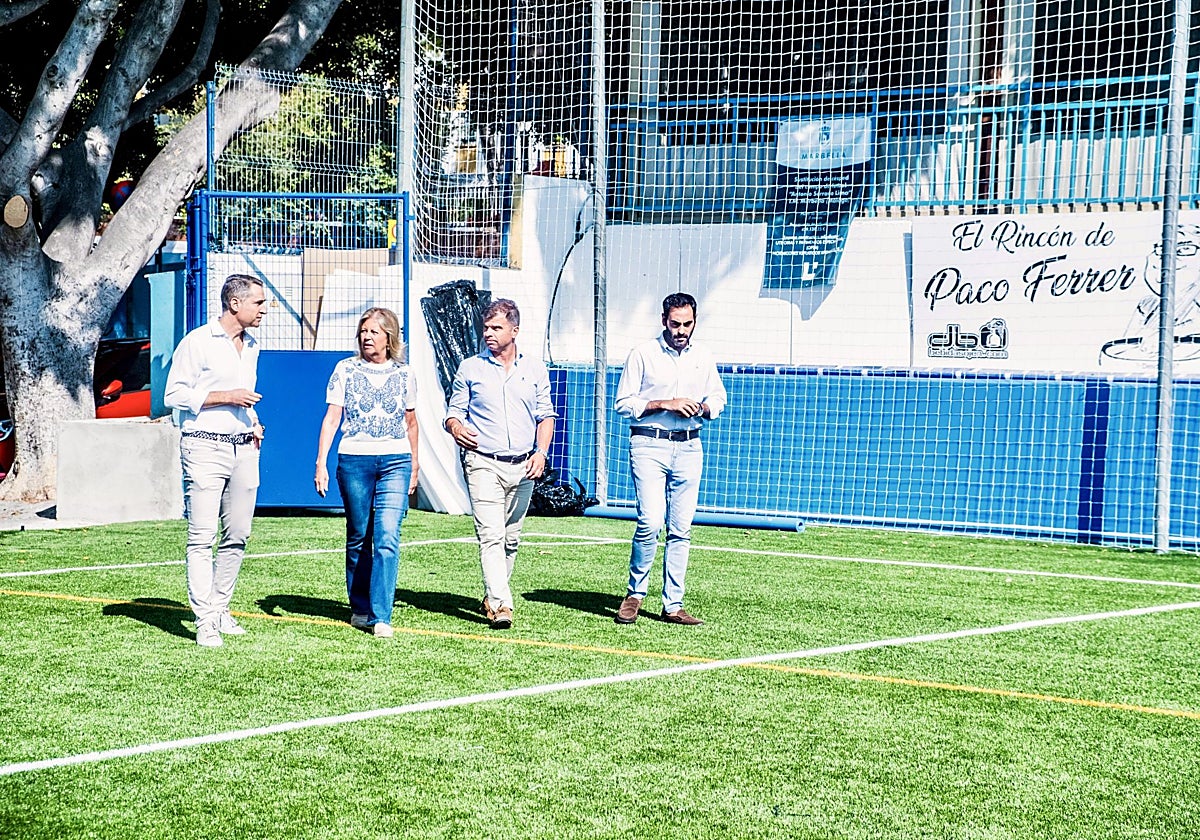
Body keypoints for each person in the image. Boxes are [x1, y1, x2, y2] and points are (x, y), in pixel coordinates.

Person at [164, 274, 267, 647]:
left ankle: (221, 608)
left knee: (238, 533)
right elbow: (173, 393)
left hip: (244, 447)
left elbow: (245, 400)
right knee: (201, 537)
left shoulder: (252, 345)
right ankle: (205, 619)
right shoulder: (198, 341)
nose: (264, 309)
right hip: (204, 446)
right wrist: (226, 396)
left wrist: (254, 424)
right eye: (258, 302)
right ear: (235, 304)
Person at [613, 292, 727, 626]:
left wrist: (704, 408)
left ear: (694, 322)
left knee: (681, 529)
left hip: (690, 446)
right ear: (664, 320)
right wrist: (664, 403)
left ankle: (673, 605)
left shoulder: (703, 356)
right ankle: (635, 594)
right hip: (649, 445)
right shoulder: (643, 355)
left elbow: (718, 397)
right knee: (650, 521)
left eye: (687, 324)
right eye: (675, 323)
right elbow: (623, 403)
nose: (681, 330)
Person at [445, 299, 555, 630]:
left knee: (511, 538)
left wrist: (541, 452)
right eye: (486, 328)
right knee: (491, 534)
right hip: (483, 463)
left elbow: (546, 414)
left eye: (496, 328)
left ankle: (493, 594)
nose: (488, 334)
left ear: (514, 330)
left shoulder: (534, 368)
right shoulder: (470, 368)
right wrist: (456, 427)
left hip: (523, 467)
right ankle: (501, 603)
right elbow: (453, 413)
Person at [314, 308, 419, 639]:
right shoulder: (344, 370)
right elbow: (332, 419)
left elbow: (412, 422)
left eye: (374, 332)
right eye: (363, 331)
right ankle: (359, 607)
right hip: (354, 461)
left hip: (395, 461)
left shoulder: (405, 374)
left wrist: (415, 465)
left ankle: (381, 614)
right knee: (359, 535)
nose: (367, 337)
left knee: (387, 535)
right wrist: (321, 462)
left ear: (389, 337)